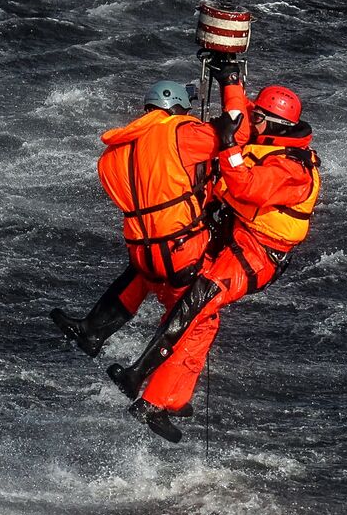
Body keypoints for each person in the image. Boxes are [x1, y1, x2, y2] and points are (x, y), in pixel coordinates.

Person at [107, 83, 323, 442]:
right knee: (198, 316)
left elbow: (245, 186)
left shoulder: (292, 170)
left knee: (197, 303)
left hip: (257, 253)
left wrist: (227, 147)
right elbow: (239, 119)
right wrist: (230, 81)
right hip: (236, 234)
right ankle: (165, 398)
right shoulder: (276, 141)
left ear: (273, 124)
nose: (251, 121)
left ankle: (140, 377)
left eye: (258, 118)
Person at [50, 69, 249, 362]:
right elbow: (238, 133)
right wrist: (230, 84)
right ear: (175, 108)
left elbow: (156, 184)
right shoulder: (181, 133)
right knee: (186, 314)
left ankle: (92, 330)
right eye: (185, 110)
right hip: (181, 247)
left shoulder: (114, 152)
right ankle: (149, 376)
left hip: (141, 249)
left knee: (140, 276)